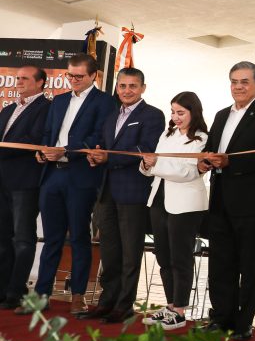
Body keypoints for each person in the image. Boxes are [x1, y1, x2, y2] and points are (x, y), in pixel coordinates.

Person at [197, 61, 255, 341]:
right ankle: (221, 318)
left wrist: (229, 162)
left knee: (248, 266)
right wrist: (207, 159)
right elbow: (212, 148)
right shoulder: (222, 115)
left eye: (245, 81)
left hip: (251, 202)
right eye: (234, 81)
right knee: (220, 263)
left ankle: (244, 322)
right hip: (220, 199)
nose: (238, 87)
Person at [23, 53, 114, 315]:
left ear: (93, 76)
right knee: (51, 238)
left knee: (79, 238)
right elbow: (47, 134)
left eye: (79, 76)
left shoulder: (105, 102)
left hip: (81, 176)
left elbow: (99, 137)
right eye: (69, 75)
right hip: (52, 175)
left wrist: (65, 150)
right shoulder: (60, 100)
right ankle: (41, 295)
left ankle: (77, 295)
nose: (73, 80)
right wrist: (42, 152)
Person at [82, 67, 164, 323]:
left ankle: (124, 305)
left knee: (130, 252)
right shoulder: (111, 115)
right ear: (116, 87)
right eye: (122, 86)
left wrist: (109, 157)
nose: (127, 91)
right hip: (106, 191)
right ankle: (107, 301)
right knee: (109, 251)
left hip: (133, 192)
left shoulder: (153, 115)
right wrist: (96, 157)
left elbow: (145, 149)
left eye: (132, 86)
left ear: (142, 88)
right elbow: (104, 147)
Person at [139, 91, 208, 331]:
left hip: (186, 204)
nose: (175, 117)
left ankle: (180, 310)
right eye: (173, 112)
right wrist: (146, 164)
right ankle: (170, 306)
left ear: (193, 113)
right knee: (163, 257)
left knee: (180, 257)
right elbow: (153, 166)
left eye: (181, 113)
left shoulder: (200, 138)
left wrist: (156, 163)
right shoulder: (167, 133)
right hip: (159, 199)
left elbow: (189, 171)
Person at [0, 66, 50, 310]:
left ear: (40, 83)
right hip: (2, 181)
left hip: (25, 182)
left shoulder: (46, 108)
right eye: (17, 78)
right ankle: (2, 288)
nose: (18, 81)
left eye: (24, 78)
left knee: (22, 239)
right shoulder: (9, 108)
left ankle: (16, 291)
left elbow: (34, 140)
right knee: (2, 238)